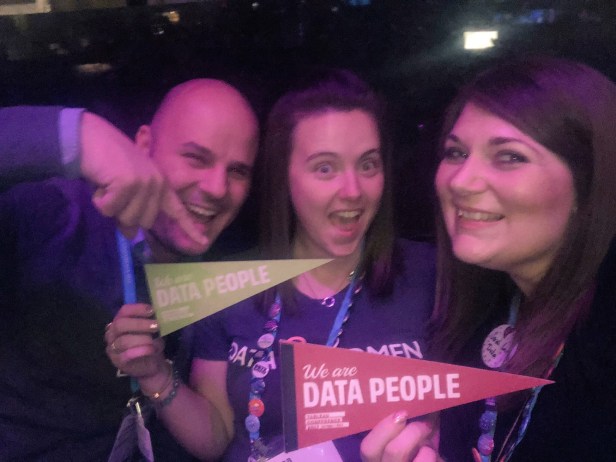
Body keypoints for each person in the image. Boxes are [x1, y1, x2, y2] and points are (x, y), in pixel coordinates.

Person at [146, 69, 434, 461]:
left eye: (368, 165)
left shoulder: (431, 277)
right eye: (325, 168)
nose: (353, 191)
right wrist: (156, 375)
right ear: (285, 177)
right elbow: (215, 438)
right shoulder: (228, 284)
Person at [361, 56, 616, 462]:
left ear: (590, 184)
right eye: (456, 152)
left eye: (510, 157)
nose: (461, 182)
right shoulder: (485, 312)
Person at [0, 79, 259, 461]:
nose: (218, 187)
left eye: (237, 171)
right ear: (142, 145)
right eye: (196, 158)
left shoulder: (234, 268)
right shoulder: (52, 215)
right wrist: (80, 135)